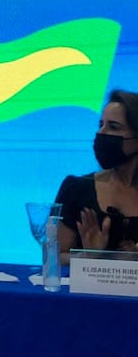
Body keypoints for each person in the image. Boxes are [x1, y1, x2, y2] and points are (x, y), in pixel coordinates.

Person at [55, 89, 138, 264]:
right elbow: (54, 257)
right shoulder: (76, 189)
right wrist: (89, 256)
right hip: (85, 283)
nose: (101, 132)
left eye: (113, 127)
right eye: (101, 124)